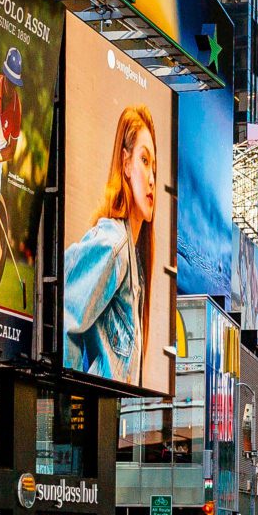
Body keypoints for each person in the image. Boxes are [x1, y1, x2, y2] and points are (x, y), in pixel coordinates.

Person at [63, 105, 161, 383]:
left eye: (154, 166)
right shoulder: (113, 244)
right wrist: (71, 408)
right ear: (126, 163)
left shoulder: (133, 260)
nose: (152, 178)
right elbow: (63, 318)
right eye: (144, 160)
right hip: (93, 418)